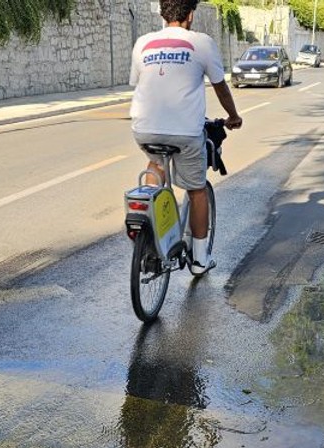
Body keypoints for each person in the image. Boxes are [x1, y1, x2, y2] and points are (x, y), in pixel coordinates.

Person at [129, 0, 242, 276]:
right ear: (190, 15)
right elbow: (220, 87)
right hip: (185, 133)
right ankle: (200, 260)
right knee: (196, 190)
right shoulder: (201, 43)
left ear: (162, 14)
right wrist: (233, 116)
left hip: (144, 129)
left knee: (156, 165)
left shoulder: (143, 43)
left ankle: (149, 231)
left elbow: (140, 83)